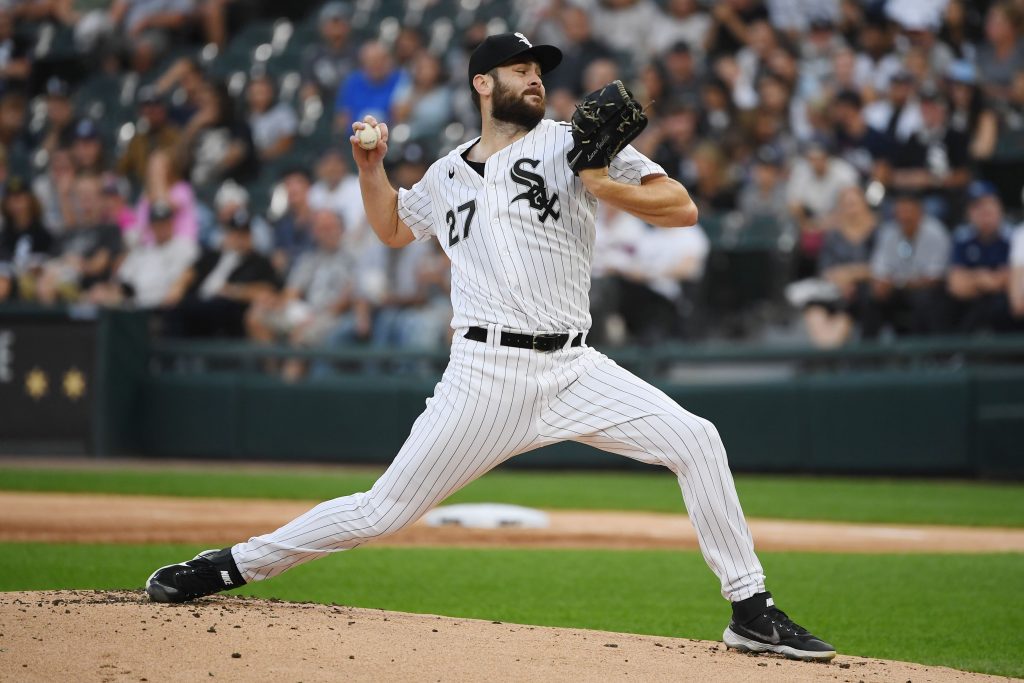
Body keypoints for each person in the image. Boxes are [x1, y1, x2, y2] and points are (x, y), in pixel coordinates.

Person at [144, 32, 835, 663]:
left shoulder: (574, 144)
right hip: (484, 374)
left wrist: (600, 181)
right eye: (522, 69)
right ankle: (229, 565)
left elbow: (680, 204)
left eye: (540, 71)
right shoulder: (446, 175)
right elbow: (390, 228)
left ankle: (751, 610)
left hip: (573, 366)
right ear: (483, 83)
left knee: (697, 439)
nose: (536, 80)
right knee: (382, 509)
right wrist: (370, 166)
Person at [861, 188, 950, 338]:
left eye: (909, 211)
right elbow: (879, 270)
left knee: (924, 299)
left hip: (925, 291)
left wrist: (899, 283)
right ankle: (868, 357)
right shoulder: (888, 232)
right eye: (900, 211)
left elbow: (934, 278)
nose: (904, 216)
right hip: (897, 291)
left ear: (920, 211)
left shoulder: (936, 233)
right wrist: (882, 284)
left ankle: (930, 355)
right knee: (871, 296)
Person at [946, 181, 1013, 333]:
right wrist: (984, 279)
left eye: (988, 204)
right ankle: (954, 354)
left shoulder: (1014, 236)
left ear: (999, 206)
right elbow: (957, 285)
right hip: (971, 304)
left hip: (1006, 308)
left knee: (1000, 304)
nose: (984, 211)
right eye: (977, 206)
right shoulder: (962, 237)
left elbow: (1016, 282)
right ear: (968, 212)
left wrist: (976, 279)